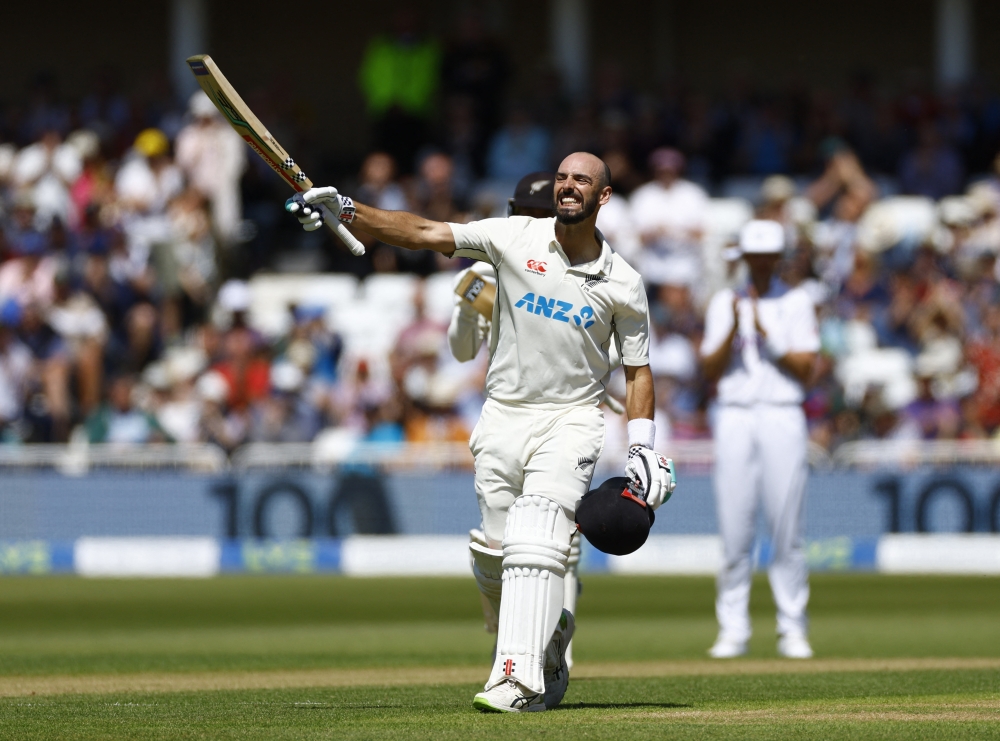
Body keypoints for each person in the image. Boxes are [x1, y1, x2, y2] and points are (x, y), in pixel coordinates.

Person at [285, 152, 674, 712]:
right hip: (502, 416)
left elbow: (638, 370)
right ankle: (550, 640)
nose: (567, 187)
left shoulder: (623, 282)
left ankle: (515, 680)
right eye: (562, 178)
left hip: (571, 420)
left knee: (538, 536)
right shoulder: (515, 236)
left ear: (603, 197)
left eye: (581, 181)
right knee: (496, 556)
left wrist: (642, 446)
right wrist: (346, 208)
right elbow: (420, 231)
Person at [700, 219, 819, 660]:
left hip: (783, 413)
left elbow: (808, 369)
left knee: (787, 525)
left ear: (778, 259)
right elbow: (709, 370)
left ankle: (792, 627)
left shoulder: (797, 301)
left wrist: (770, 337)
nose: (763, 265)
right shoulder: (723, 302)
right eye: (756, 257)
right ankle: (733, 627)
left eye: (769, 257)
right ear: (746, 259)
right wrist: (734, 327)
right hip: (733, 414)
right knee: (735, 527)